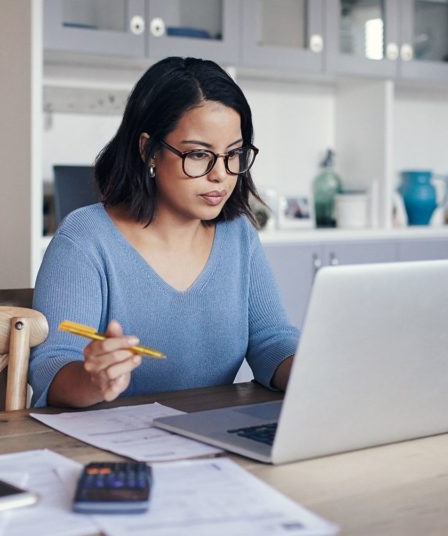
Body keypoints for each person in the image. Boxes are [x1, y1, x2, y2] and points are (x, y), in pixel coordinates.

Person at [29, 57, 299, 408]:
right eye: (199, 155)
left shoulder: (239, 236)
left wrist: (316, 372)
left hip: (208, 440)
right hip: (106, 450)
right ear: (149, 150)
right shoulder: (85, 239)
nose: (220, 174)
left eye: (234, 154)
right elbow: (52, 367)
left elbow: (271, 340)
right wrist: (91, 379)